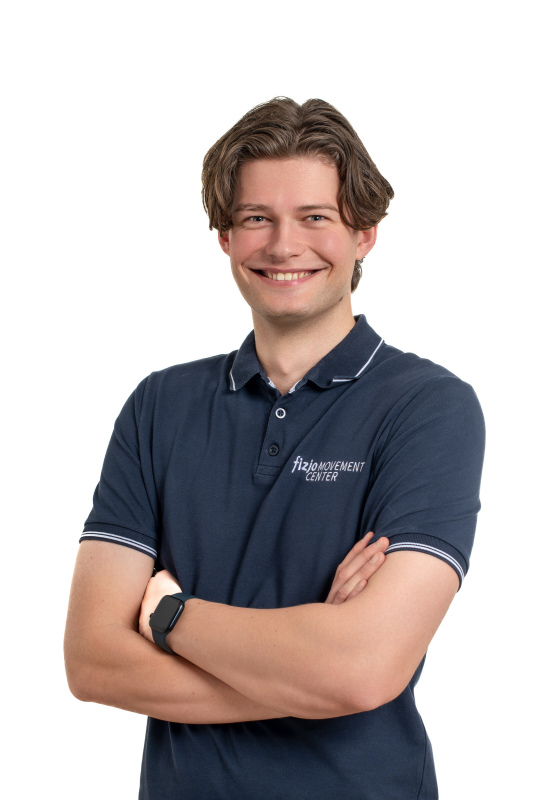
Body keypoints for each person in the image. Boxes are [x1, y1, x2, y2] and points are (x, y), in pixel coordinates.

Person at [64, 97, 485, 799]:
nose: (284, 246)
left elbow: (364, 669)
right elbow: (92, 662)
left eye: (314, 217)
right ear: (225, 237)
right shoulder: (160, 406)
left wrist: (169, 617)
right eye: (256, 218)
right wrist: (316, 673)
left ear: (365, 234)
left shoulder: (427, 407)